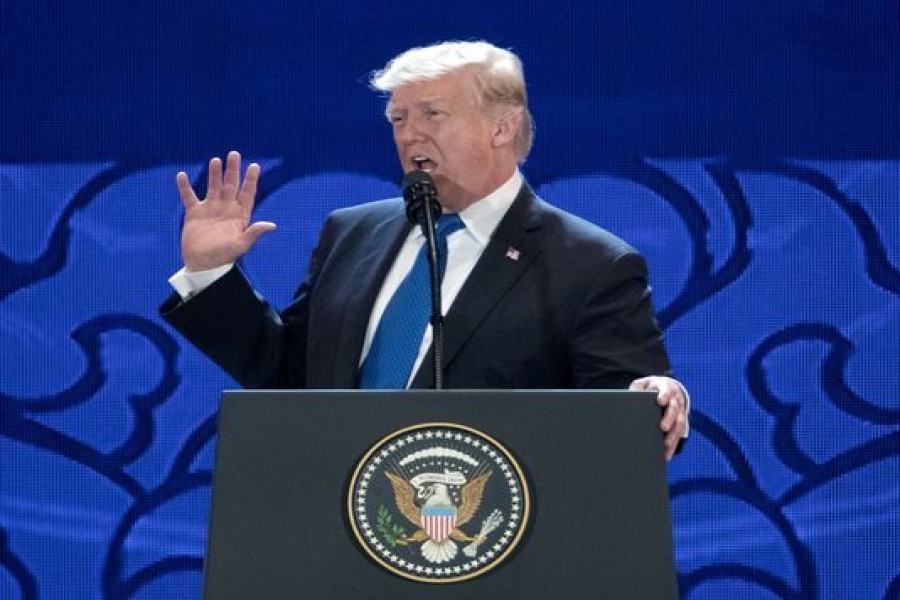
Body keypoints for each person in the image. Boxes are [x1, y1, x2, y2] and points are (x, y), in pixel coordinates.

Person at [160, 41, 689, 459]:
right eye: (398, 119)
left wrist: (655, 399)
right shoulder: (352, 232)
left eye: (432, 115)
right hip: (337, 522)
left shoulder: (590, 263)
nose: (410, 134)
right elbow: (292, 381)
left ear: (501, 127)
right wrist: (211, 273)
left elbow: (628, 415)